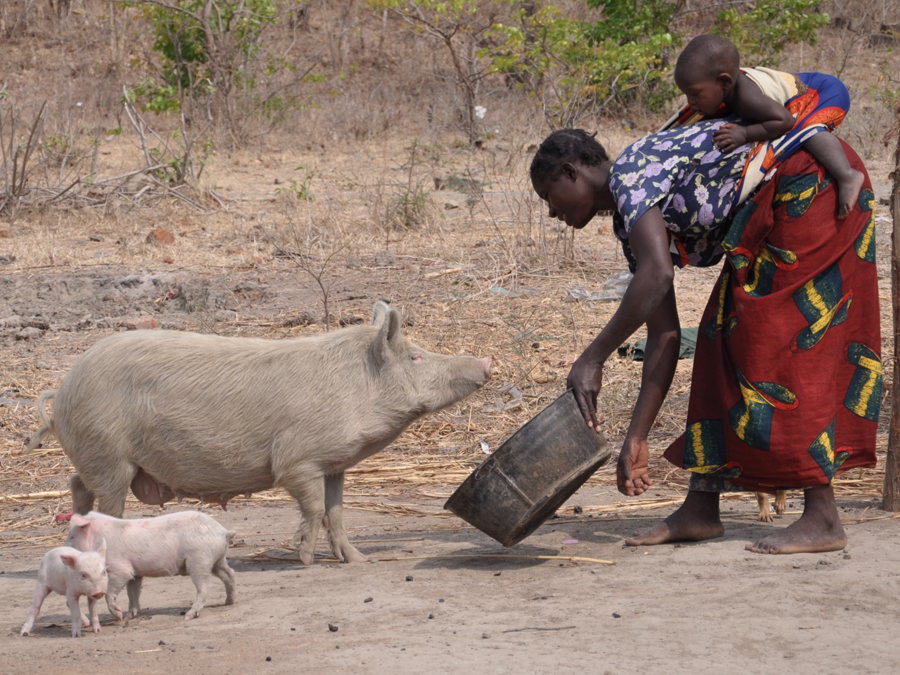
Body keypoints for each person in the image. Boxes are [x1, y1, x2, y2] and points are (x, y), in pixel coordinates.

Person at [530, 123, 880, 554]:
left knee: (783, 343)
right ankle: (701, 508)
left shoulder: (631, 175)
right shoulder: (631, 219)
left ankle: (823, 516)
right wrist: (636, 437)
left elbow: (657, 273)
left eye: (549, 197)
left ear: (570, 172)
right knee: (717, 340)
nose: (551, 212)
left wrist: (593, 357)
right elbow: (665, 334)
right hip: (777, 205)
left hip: (813, 182)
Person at [673, 34, 864, 219]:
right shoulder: (730, 91)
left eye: (695, 94)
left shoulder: (745, 97)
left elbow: (784, 121)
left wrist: (745, 133)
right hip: (812, 90)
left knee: (806, 131)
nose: (691, 102)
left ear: (724, 82)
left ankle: (847, 175)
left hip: (825, 93)